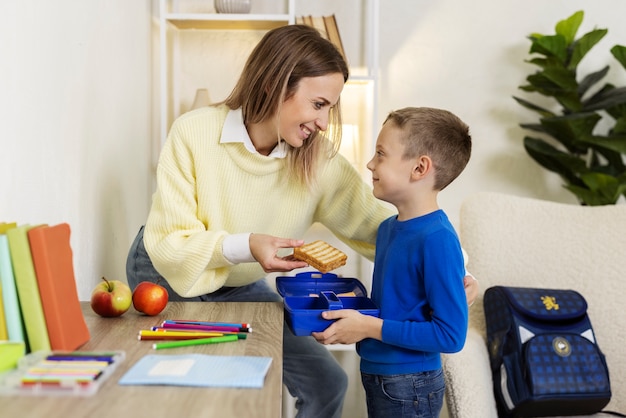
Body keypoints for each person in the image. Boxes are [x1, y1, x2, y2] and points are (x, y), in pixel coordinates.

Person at [126, 25, 478, 418]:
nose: (325, 122)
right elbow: (172, 242)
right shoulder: (193, 132)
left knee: (328, 383)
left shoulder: (317, 159)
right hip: (165, 272)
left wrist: (459, 268)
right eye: (319, 104)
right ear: (276, 86)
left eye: (330, 108)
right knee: (207, 390)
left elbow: (383, 222)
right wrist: (247, 245)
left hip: (236, 284)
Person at [312, 107, 472, 418]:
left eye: (381, 154)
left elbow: (450, 336)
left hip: (412, 385)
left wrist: (367, 326)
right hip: (381, 374)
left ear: (419, 167)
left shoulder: (437, 239)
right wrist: (352, 310)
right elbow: (397, 304)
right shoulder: (389, 228)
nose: (370, 163)